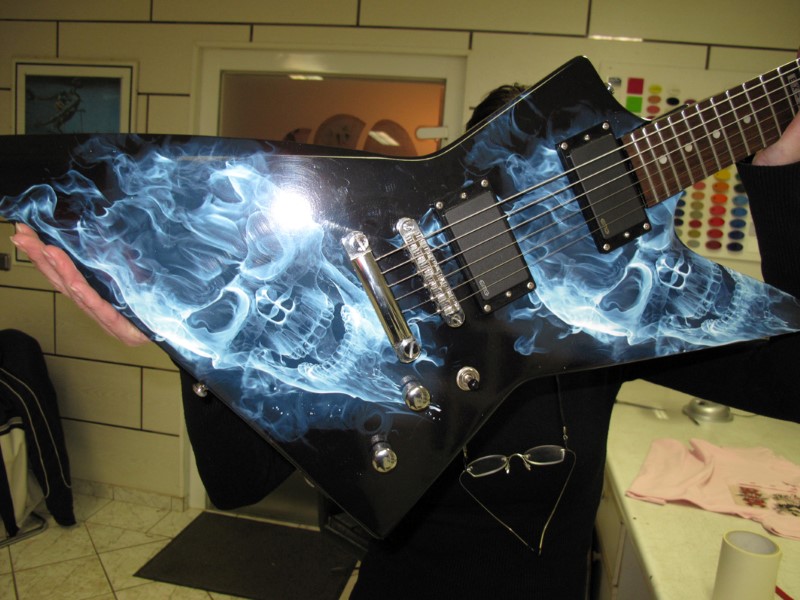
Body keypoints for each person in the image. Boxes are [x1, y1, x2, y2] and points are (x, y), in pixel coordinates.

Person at [10, 81, 800, 599]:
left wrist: (780, 170)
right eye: (508, 203)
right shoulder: (357, 317)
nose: (524, 231)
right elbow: (236, 484)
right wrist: (192, 343)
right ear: (454, 199)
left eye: (555, 209)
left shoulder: (602, 332)